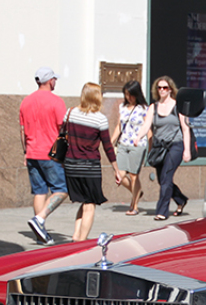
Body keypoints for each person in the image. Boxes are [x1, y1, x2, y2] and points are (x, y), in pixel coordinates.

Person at [63, 82, 124, 242]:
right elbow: (107, 147)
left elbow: (62, 136)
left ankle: (76, 235)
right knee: (90, 205)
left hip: (70, 165)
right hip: (89, 167)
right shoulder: (100, 119)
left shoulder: (70, 113)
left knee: (84, 201)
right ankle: (81, 242)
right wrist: (116, 169)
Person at [19, 67, 68, 245]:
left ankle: (40, 231)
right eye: (54, 79)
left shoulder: (26, 102)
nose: (55, 82)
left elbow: (23, 130)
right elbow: (63, 129)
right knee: (61, 190)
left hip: (32, 152)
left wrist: (26, 152)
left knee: (39, 191)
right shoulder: (56, 102)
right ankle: (39, 220)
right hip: (50, 154)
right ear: (49, 81)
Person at [141, 75, 193, 221]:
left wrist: (186, 150)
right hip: (159, 147)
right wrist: (138, 137)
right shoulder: (153, 107)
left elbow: (185, 129)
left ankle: (162, 211)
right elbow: (146, 125)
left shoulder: (178, 106)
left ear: (170, 89)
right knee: (163, 179)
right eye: (159, 88)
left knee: (166, 178)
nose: (162, 90)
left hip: (175, 145)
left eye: (165, 87)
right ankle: (181, 199)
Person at [113, 80, 150, 214]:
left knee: (134, 175)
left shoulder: (144, 109)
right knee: (120, 175)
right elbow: (119, 125)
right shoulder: (122, 107)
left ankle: (134, 206)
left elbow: (148, 128)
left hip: (137, 144)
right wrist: (111, 141)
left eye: (131, 94)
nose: (128, 97)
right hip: (123, 143)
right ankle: (137, 193)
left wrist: (150, 146)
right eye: (126, 94)